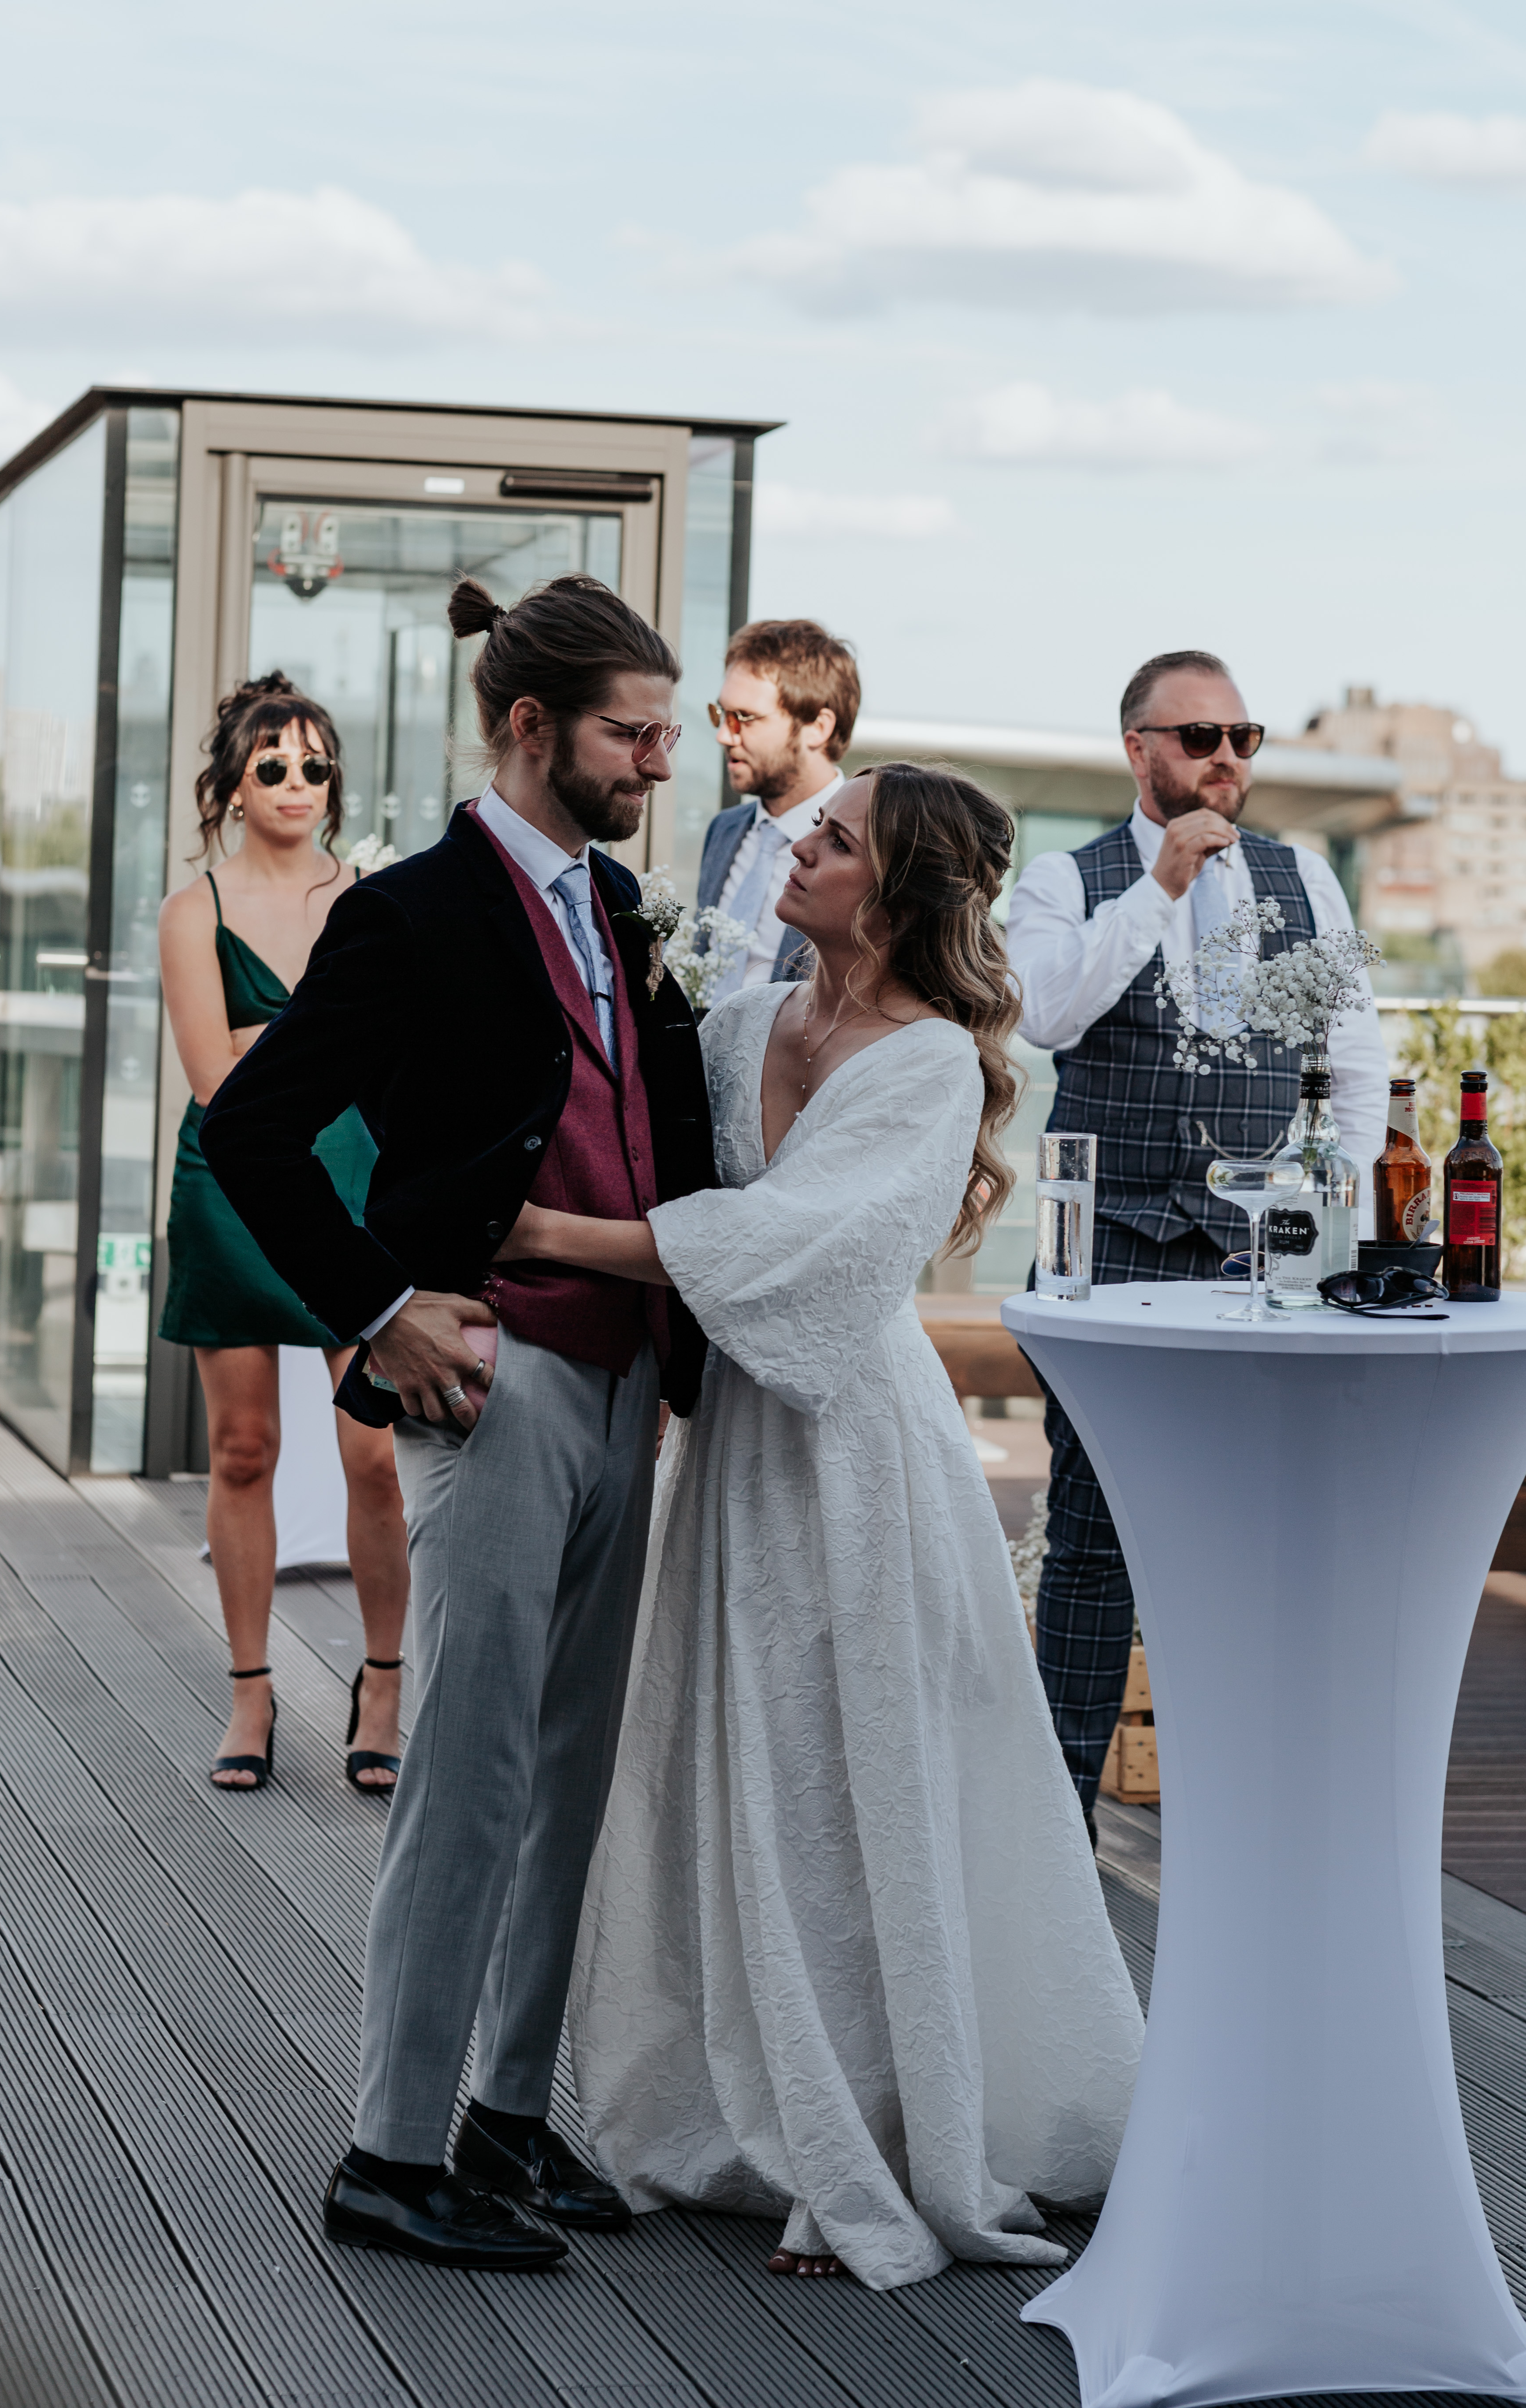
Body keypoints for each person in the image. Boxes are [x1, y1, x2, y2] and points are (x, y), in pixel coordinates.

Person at [500, 763, 1145, 2291]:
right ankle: (751, 2101)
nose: (799, 844)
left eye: (834, 839)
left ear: (899, 890)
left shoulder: (926, 1068)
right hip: (734, 1452)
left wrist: (539, 1233)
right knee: (739, 1764)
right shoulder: (740, 1023)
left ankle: (870, 2128)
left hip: (857, 1460)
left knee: (855, 1778)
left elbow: (792, 1246)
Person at [198, 573, 716, 2275]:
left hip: (630, 1377)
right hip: (492, 1377)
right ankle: (391, 2147)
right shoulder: (412, 910)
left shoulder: (629, 906)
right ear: (526, 726)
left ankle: (504, 2111)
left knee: (567, 1773)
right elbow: (258, 1132)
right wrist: (378, 1303)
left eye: (661, 729)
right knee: (470, 1777)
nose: (656, 758)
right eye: (629, 731)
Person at [1005, 650, 1388, 1825]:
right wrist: (1160, 885)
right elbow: (1041, 1012)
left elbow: (1354, 1053)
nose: (1227, 759)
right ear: (1139, 751)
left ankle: (1246, 1796)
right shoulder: (1071, 879)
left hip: (1260, 1251)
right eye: (1198, 737)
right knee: (1092, 1526)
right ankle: (1059, 1813)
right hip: (1107, 1239)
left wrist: (1342, 1225)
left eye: (1243, 736)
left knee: (1256, 1521)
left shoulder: (1305, 875)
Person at [157, 674, 409, 1795]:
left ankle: (386, 1680)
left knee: (375, 1449)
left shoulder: (373, 900)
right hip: (233, 1183)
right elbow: (216, 1078)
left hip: (358, 1178)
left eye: (315, 766)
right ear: (231, 786)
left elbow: (399, 1057)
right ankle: (250, 1692)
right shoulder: (191, 911)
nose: (299, 784)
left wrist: (294, 1044)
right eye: (274, 767)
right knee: (243, 1448)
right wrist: (327, 1046)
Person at [698, 618, 861, 994]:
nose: (725, 734)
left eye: (746, 718)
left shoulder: (866, 851)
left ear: (818, 727)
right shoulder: (723, 831)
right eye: (722, 714)